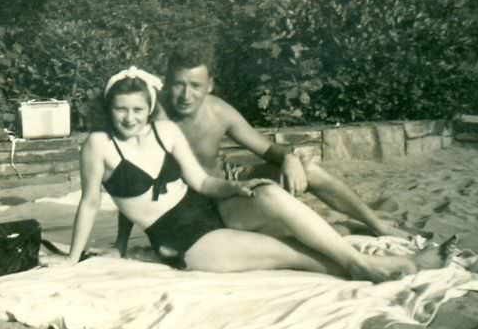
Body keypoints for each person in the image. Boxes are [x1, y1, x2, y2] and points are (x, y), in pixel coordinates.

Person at [41, 66, 430, 282]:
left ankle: (361, 250)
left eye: (138, 110)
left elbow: (202, 183)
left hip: (214, 209)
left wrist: (238, 187)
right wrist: (74, 258)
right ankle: (360, 265)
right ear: (108, 110)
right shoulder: (97, 145)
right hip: (187, 240)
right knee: (296, 256)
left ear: (149, 109)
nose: (130, 118)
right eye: (121, 110)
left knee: (272, 196)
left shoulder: (166, 131)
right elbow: (91, 203)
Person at [114, 41, 412, 258]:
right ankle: (343, 228)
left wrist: (290, 159)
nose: (186, 94)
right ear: (166, 83)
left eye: (195, 85)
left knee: (306, 169)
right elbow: (130, 181)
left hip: (229, 189)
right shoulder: (151, 116)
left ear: (210, 85)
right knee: (300, 233)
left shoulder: (220, 113)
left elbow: (267, 149)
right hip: (200, 210)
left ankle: (377, 224)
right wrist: (120, 244)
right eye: (178, 84)